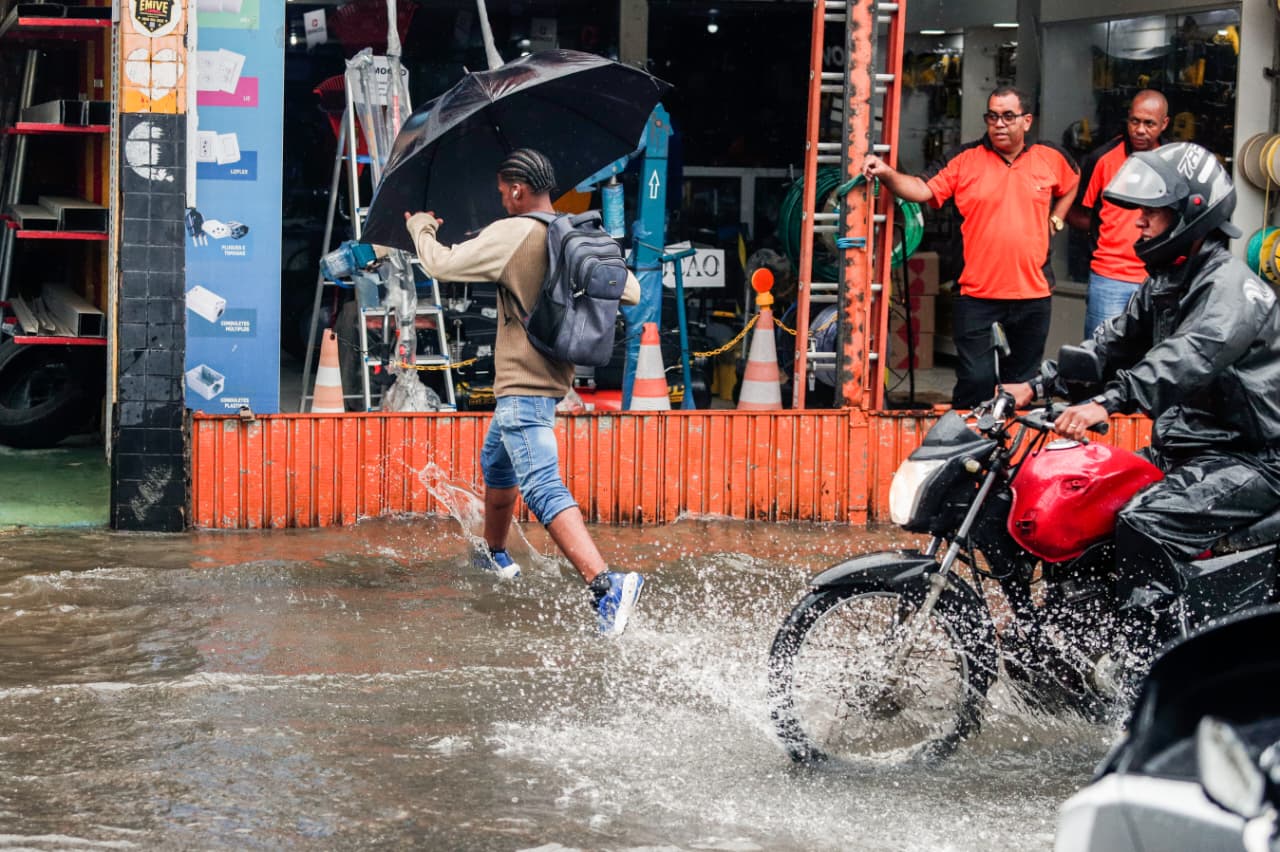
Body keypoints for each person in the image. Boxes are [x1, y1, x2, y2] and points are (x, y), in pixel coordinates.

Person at [1005, 141, 1280, 652]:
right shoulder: (1167, 282)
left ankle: (1148, 659)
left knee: (1145, 522)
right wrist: (1035, 385)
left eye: (1153, 212)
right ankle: (1081, 637)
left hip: (1253, 458)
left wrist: (1106, 402)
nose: (1139, 222)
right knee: (1087, 497)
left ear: (1190, 214)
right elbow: (1110, 344)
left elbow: (1188, 356)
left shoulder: (1231, 289)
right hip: (1189, 448)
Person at [403, 148, 645, 636]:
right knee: (497, 463)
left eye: (502, 193)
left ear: (517, 189)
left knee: (541, 485)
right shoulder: (575, 232)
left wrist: (420, 226)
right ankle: (495, 554)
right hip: (550, 380)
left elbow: (441, 265)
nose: (501, 200)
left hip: (524, 389)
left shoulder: (513, 232)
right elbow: (632, 291)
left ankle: (605, 584)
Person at [864, 86, 1079, 408]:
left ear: (1027, 121)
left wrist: (1057, 219)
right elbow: (921, 189)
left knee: (1020, 387)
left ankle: (1008, 441)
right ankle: (965, 437)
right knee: (976, 380)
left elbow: (1073, 180)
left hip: (1033, 294)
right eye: (992, 116)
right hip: (977, 294)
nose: (999, 124)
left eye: (1008, 116)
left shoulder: (1050, 157)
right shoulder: (965, 159)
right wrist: (887, 173)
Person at [1066, 90, 1170, 338]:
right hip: (1110, 276)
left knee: (1155, 355)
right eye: (1135, 121)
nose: (1140, 130)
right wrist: (1103, 228)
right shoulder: (1102, 158)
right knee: (1100, 353)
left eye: (1149, 123)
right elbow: (1074, 211)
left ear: (1164, 124)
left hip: (1158, 277)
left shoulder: (1173, 162)